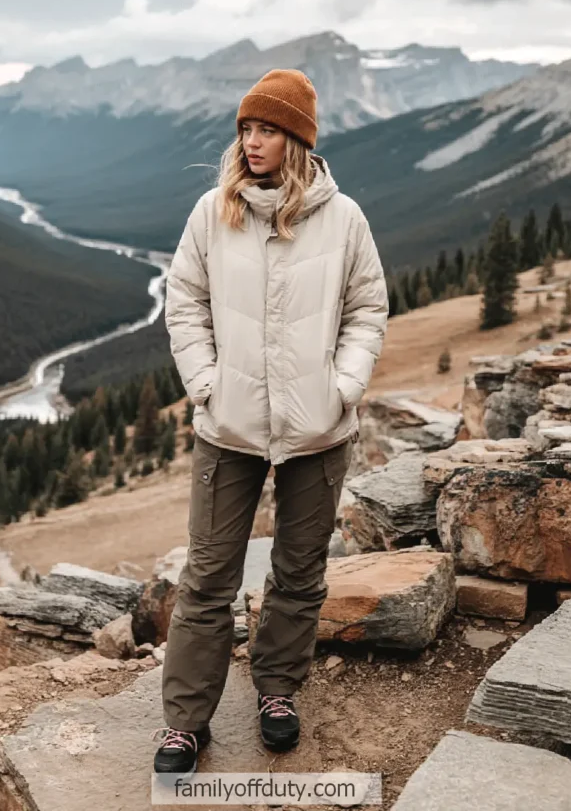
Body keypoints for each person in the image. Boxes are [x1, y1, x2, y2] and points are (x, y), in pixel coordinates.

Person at [153, 68, 389, 779]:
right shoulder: (211, 212)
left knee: (298, 572)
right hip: (228, 429)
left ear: (297, 139)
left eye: (266, 129)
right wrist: (205, 384)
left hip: (318, 428)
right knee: (206, 579)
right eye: (245, 129)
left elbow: (366, 308)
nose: (251, 141)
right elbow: (184, 301)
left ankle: (277, 692)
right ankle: (185, 723)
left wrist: (341, 388)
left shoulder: (342, 218)